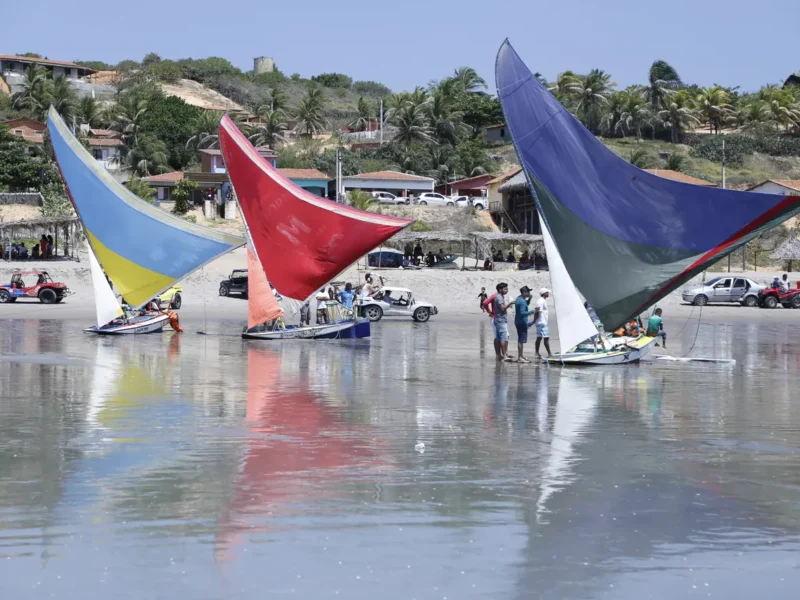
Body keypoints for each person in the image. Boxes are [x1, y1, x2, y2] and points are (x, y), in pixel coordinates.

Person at [492, 282, 514, 361]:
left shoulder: (499, 297)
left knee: (498, 338)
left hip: (498, 320)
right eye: (505, 289)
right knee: (503, 339)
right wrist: (509, 304)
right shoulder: (499, 297)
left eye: (507, 288)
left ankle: (499, 355)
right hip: (501, 321)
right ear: (500, 289)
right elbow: (502, 308)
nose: (506, 290)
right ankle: (504, 355)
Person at [514, 286, 535, 363]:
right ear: (524, 293)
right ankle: (520, 357)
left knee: (521, 339)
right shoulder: (522, 301)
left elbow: (525, 305)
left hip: (518, 321)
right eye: (528, 292)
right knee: (521, 340)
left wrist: (529, 299)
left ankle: (521, 356)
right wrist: (533, 311)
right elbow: (523, 313)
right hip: (521, 322)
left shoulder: (519, 298)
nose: (529, 293)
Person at [534, 288, 551, 359]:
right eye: (547, 292)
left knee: (539, 338)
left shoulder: (543, 300)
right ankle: (549, 353)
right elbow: (537, 311)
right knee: (546, 338)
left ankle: (537, 353)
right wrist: (533, 321)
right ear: (544, 293)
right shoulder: (541, 301)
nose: (548, 293)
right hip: (542, 322)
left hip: (542, 322)